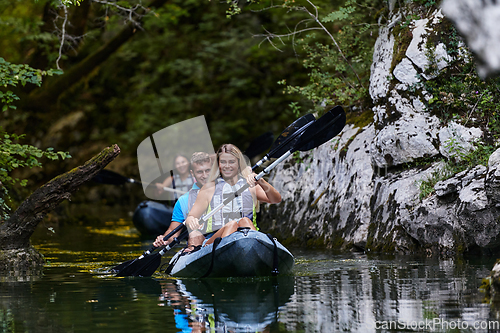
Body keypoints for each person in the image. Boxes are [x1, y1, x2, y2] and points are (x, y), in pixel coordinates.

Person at [185, 143, 281, 247]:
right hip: (214, 240)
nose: (227, 166)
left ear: (239, 163)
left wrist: (260, 180)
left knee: (245, 221)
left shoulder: (250, 185)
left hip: (247, 237)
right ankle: (225, 252)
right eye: (223, 162)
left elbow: (276, 199)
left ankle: (256, 248)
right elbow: (191, 217)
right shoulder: (209, 188)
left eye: (231, 162)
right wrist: (192, 221)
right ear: (218, 164)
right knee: (231, 225)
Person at [153, 152, 212, 248]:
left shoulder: (225, 190)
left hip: (223, 236)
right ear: (192, 173)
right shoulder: (183, 201)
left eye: (208, 171)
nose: (205, 176)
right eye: (200, 172)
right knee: (194, 235)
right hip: (198, 242)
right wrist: (164, 238)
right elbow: (173, 231)